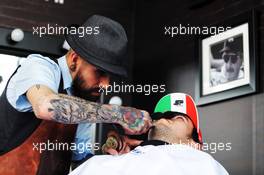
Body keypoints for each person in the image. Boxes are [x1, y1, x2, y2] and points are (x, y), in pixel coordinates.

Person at [0, 15, 151, 174]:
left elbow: (79, 164)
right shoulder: (39, 66)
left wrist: (109, 156)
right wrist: (118, 113)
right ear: (74, 59)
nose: (106, 85)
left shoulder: (82, 103)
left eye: (110, 76)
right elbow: (46, 106)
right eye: (100, 72)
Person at [69, 93, 229, 175]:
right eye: (162, 116)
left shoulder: (205, 165)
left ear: (197, 145)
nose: (166, 118)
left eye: (181, 119)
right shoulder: (100, 164)